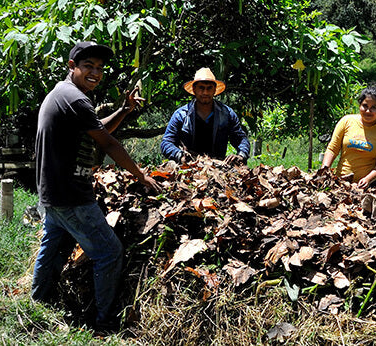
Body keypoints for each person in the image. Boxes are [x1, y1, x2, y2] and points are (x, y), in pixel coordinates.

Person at [32, 41, 161, 330]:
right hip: (71, 195)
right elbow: (108, 143)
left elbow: (98, 129)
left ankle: (37, 304)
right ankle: (104, 323)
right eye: (88, 66)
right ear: (72, 66)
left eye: (100, 68)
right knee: (109, 252)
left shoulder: (65, 96)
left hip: (53, 193)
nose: (95, 73)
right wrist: (141, 176)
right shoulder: (75, 98)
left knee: (51, 247)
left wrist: (124, 110)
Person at [160, 68, 250, 165]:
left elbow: (241, 139)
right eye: (201, 88)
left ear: (215, 90)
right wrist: (180, 155)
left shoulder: (227, 114)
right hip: (189, 165)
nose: (205, 93)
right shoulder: (181, 115)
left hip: (218, 166)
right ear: (194, 90)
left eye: (209, 88)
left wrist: (241, 155)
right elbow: (167, 142)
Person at [320, 85, 376, 189]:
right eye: (365, 106)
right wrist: (324, 171)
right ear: (359, 105)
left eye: (374, 108)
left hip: (368, 185)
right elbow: (332, 149)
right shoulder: (346, 121)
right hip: (341, 181)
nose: (368, 111)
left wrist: (368, 179)